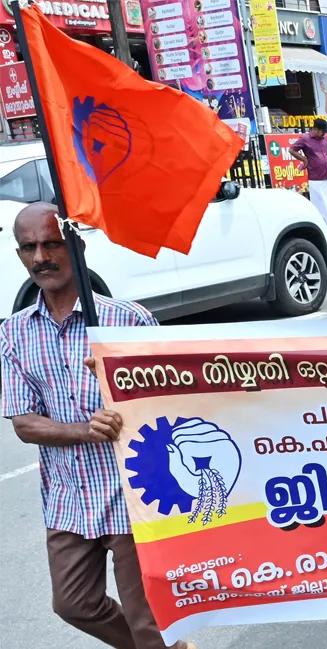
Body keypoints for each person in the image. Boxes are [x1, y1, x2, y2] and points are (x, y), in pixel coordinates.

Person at [0, 203, 195, 649]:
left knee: (148, 624)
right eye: (29, 248)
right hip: (69, 499)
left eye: (52, 243)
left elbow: (172, 408)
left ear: (77, 246)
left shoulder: (127, 322)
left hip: (133, 497)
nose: (41, 257)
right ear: (18, 255)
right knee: (73, 604)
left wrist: (123, 392)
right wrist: (88, 429)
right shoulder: (13, 333)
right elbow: (26, 424)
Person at [290, 118, 327, 233]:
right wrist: (304, 159)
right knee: (320, 204)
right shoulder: (305, 139)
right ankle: (324, 227)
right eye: (323, 131)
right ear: (316, 129)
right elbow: (292, 150)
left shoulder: (325, 138)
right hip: (315, 177)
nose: (324, 134)